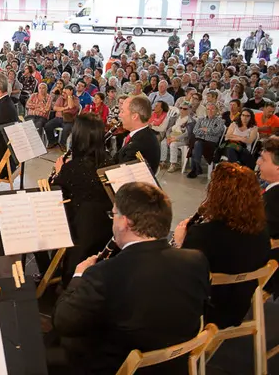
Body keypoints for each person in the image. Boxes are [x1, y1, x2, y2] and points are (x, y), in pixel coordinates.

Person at [53, 182, 210, 374]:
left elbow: (63, 321)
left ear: (125, 222)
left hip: (120, 366)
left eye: (114, 214)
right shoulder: (196, 260)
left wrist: (78, 275)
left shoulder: (105, 273)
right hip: (173, 366)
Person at [173, 162, 270, 329]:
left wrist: (180, 242)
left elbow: (183, 278)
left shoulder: (203, 235)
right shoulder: (261, 231)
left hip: (205, 312)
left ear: (218, 196)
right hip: (238, 306)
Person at [50, 114, 114, 285]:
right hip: (105, 229)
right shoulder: (109, 161)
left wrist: (58, 173)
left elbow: (54, 194)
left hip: (80, 230)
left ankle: (48, 269)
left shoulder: (72, 168)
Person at [115, 95, 161, 174]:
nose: (119, 115)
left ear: (134, 116)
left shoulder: (140, 143)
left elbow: (121, 172)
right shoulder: (142, 135)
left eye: (122, 111)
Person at [257, 136, 279, 294]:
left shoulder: (273, 200)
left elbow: (259, 237)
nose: (258, 162)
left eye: (263, 159)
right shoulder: (272, 193)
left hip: (260, 268)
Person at [188, 103, 226, 179]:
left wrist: (204, 129)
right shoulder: (201, 119)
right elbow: (195, 131)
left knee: (195, 145)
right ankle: (196, 168)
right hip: (199, 141)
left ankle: (195, 169)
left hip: (211, 143)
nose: (210, 111)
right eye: (208, 109)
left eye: (212, 109)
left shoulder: (220, 121)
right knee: (197, 144)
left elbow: (217, 132)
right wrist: (207, 131)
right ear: (206, 110)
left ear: (216, 111)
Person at [44, 85, 79, 152]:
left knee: (66, 129)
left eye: (65, 92)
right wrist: (65, 108)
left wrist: (69, 96)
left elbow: (71, 106)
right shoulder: (60, 98)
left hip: (69, 120)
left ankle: (62, 144)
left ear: (71, 93)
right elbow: (55, 108)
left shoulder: (75, 99)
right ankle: (53, 141)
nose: (63, 94)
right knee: (47, 126)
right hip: (58, 118)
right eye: (63, 92)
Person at [162, 102, 191, 172]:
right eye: (180, 108)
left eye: (184, 109)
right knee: (163, 142)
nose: (182, 110)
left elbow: (187, 133)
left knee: (173, 144)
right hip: (173, 136)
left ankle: (173, 164)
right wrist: (168, 137)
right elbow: (169, 129)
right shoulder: (177, 118)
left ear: (189, 110)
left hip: (183, 139)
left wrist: (175, 139)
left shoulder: (190, 120)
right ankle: (162, 162)